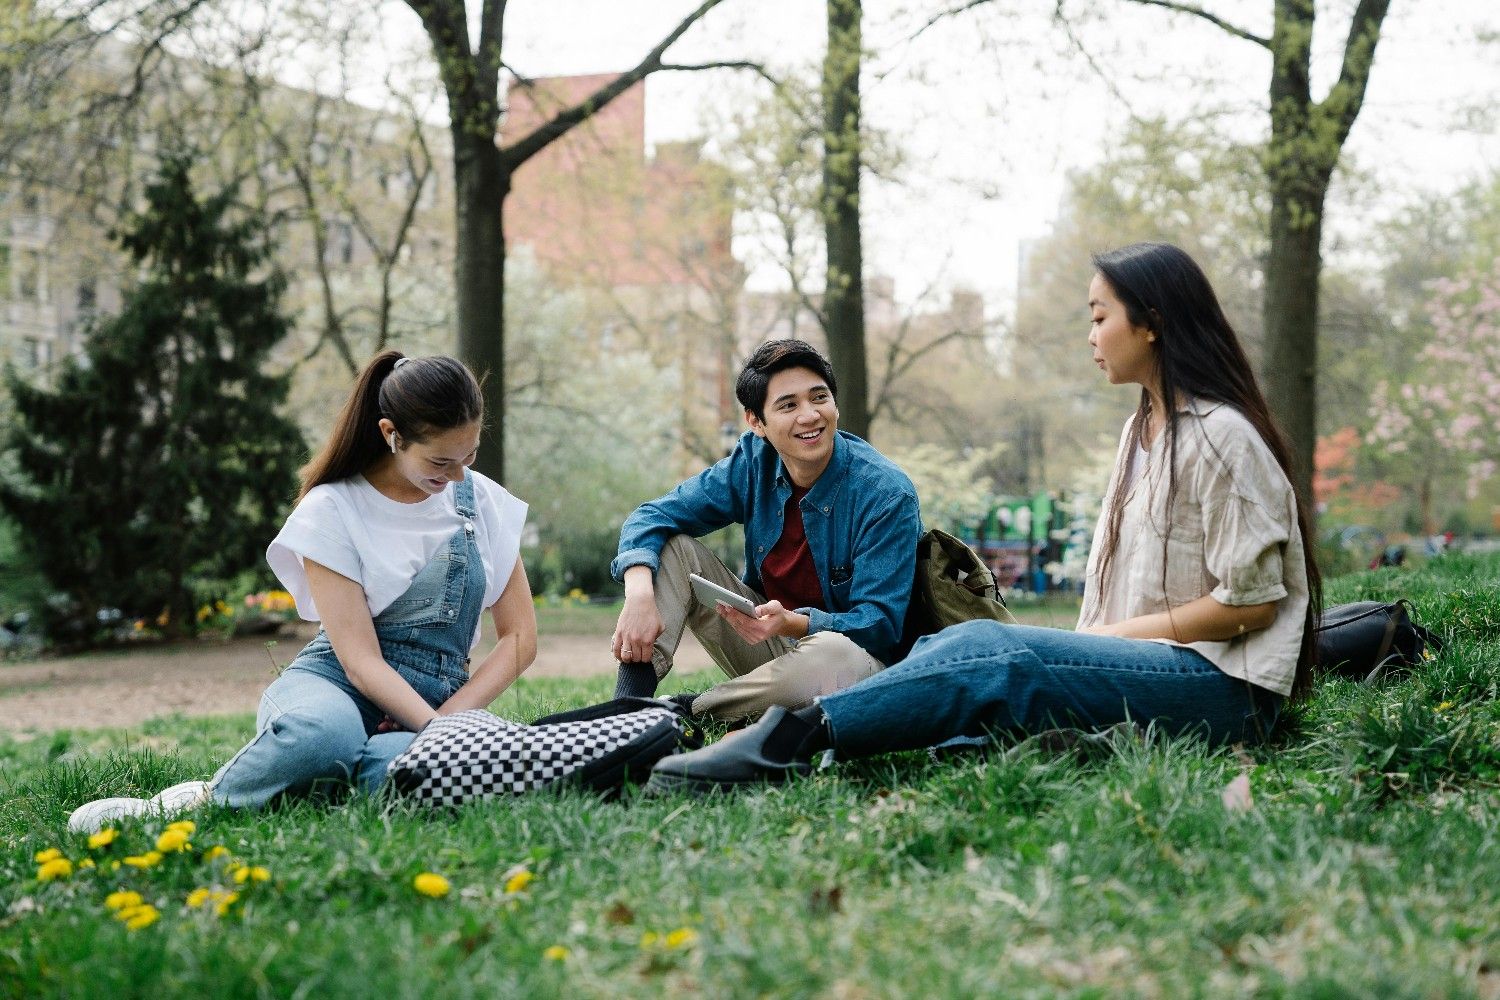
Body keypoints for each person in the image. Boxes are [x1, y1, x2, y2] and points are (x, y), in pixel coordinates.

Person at [648, 242, 1322, 792]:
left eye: (1098, 316)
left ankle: (787, 741)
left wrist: (1115, 637)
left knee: (991, 651)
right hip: (1145, 663)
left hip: (1223, 690)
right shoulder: (1141, 432)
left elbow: (1252, 606)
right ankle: (756, 727)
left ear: (1151, 322)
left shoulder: (1222, 436)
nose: (1090, 334)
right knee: (948, 650)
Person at [68, 352, 536, 831]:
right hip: (337, 686)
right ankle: (200, 803)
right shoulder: (332, 508)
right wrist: (436, 730)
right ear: (390, 434)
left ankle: (310, 784)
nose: (459, 475)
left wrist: (446, 725)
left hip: (438, 700)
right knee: (324, 737)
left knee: (431, 769)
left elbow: (520, 638)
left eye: (470, 455)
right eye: (440, 460)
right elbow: (361, 661)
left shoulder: (481, 501)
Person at [609, 339, 922, 722]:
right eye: (788, 405)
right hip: (769, 644)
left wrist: (795, 621)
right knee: (672, 547)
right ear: (757, 422)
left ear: (835, 404)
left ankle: (686, 711)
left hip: (856, 666)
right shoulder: (754, 462)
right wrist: (638, 595)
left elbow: (880, 627)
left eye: (819, 397)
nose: (810, 416)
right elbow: (651, 516)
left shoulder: (886, 493)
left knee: (831, 654)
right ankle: (623, 713)